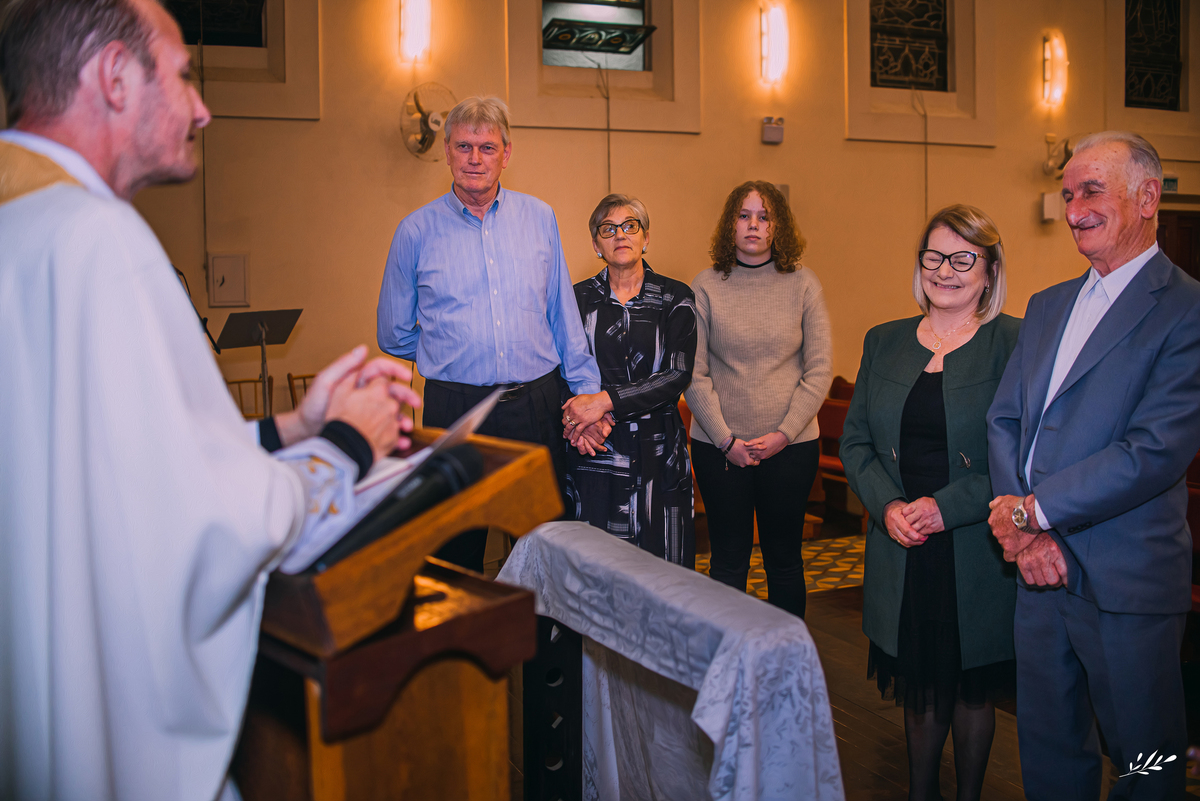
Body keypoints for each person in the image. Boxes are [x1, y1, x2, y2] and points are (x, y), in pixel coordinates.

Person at [0, 1, 421, 800]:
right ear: (116, 78)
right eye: (184, 72)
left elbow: (106, 462)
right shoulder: (99, 242)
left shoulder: (24, 225)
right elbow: (203, 524)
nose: (202, 107)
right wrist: (345, 444)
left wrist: (287, 425)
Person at [987, 131, 1200, 800]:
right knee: (1050, 753)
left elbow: (1151, 449)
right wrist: (1023, 534)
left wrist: (1034, 511)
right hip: (1038, 573)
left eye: (1092, 191)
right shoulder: (1049, 305)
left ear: (1147, 195)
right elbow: (1005, 420)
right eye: (1069, 192)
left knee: (1146, 762)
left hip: (1126, 576)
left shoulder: (1188, 309)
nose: (1075, 208)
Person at [377, 95, 603, 572]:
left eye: (486, 147)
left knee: (547, 549)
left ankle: (549, 648)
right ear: (446, 151)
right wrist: (451, 351)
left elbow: (562, 315)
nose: (475, 158)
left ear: (507, 152)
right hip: (455, 412)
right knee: (455, 552)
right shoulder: (415, 232)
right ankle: (465, 647)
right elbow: (393, 332)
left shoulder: (539, 218)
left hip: (536, 405)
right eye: (464, 147)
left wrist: (586, 393)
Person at [840, 205, 1020, 801]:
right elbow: (857, 440)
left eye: (963, 258)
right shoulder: (884, 340)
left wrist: (947, 507)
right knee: (919, 682)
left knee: (970, 687)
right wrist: (888, 506)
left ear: (989, 271)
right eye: (935, 257)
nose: (946, 271)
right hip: (903, 543)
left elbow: (1019, 453)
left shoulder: (1013, 343)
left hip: (972, 544)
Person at [683, 181, 831, 618]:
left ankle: (787, 664)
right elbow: (693, 373)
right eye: (744, 215)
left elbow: (819, 368)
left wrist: (784, 435)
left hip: (791, 447)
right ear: (730, 224)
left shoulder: (804, 284)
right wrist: (728, 441)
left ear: (777, 226)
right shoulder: (706, 285)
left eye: (763, 216)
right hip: (719, 449)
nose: (753, 225)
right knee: (728, 561)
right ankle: (727, 663)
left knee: (784, 560)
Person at [561, 194, 698, 566]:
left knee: (662, 569)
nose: (619, 234)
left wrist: (605, 401)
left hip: (658, 453)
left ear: (646, 237)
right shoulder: (577, 300)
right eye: (608, 228)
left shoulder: (676, 298)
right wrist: (580, 422)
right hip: (594, 449)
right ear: (596, 245)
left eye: (629, 226)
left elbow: (676, 374)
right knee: (593, 568)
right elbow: (560, 370)